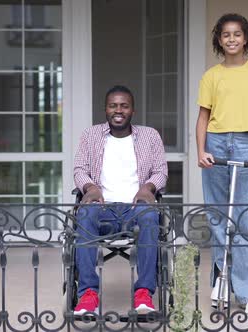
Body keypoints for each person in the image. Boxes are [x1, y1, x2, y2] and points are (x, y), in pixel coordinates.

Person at [196, 13, 248, 314]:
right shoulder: (211, 76)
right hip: (215, 143)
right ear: (218, 39)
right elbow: (203, 117)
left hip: (244, 142)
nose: (231, 39)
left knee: (243, 221)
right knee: (218, 219)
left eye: (237, 34)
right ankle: (221, 285)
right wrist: (201, 149)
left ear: (246, 38)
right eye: (225, 34)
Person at [72, 85, 168, 315]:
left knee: (149, 216)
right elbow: (79, 169)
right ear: (105, 109)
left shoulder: (149, 135)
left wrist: (148, 188)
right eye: (113, 105)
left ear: (132, 110)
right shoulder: (90, 135)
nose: (118, 110)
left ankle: (144, 293)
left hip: (136, 208)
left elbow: (161, 170)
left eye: (124, 106)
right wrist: (90, 187)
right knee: (84, 214)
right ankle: (87, 295)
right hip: (101, 207)